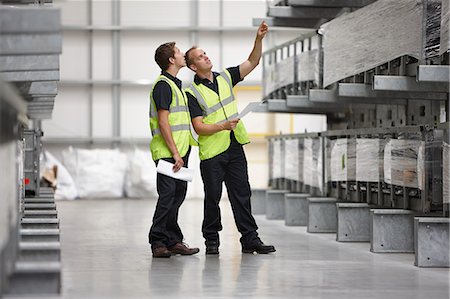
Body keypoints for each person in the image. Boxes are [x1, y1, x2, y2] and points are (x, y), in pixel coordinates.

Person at [184, 22, 275, 255]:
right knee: (212, 198)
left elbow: (253, 62)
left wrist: (259, 39)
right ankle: (211, 240)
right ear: (193, 66)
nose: (206, 57)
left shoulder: (225, 77)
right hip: (212, 152)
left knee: (242, 193)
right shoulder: (192, 92)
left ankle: (250, 239)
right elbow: (198, 127)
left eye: (205, 54)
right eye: (200, 57)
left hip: (234, 146)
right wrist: (222, 125)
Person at [148, 42, 199, 258]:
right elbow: (163, 122)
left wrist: (182, 152)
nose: (182, 55)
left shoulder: (176, 85)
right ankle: (158, 241)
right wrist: (176, 153)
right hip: (169, 152)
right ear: (171, 60)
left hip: (180, 151)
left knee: (177, 196)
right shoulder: (163, 85)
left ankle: (173, 240)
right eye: (178, 52)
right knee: (167, 196)